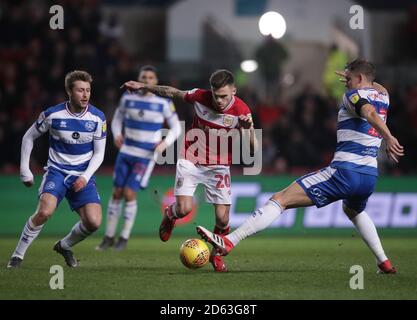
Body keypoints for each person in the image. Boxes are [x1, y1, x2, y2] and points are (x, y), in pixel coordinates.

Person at [196, 59, 405, 274]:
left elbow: (368, 112)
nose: (345, 82)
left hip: (345, 172)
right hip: (369, 176)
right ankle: (383, 262)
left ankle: (229, 241)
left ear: (359, 79)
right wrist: (359, 78)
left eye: (349, 78)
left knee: (280, 199)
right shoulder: (383, 96)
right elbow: (375, 88)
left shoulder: (354, 96)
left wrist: (388, 137)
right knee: (353, 210)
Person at [122, 69, 256, 272]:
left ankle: (216, 255)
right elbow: (171, 92)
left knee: (223, 219)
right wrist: (145, 86)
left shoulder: (241, 111)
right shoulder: (200, 97)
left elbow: (253, 150)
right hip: (191, 159)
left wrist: (248, 129)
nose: (219, 101)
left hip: (219, 166)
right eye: (215, 95)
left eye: (224, 96)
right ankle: (170, 214)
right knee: (184, 209)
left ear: (234, 91)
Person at [7, 70, 107, 268]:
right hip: (57, 172)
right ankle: (17, 256)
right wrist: (24, 170)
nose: (85, 94)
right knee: (45, 212)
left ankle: (64, 245)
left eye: (88, 90)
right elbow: (28, 137)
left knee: (94, 222)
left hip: (82, 175)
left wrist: (86, 177)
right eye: (80, 90)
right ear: (69, 91)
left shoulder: (98, 118)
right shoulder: (52, 114)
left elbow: (99, 153)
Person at [96, 65, 181, 251]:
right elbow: (117, 119)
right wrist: (117, 133)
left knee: (129, 193)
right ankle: (108, 236)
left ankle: (124, 238)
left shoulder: (163, 103)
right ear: (139, 79)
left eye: (151, 77)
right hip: (126, 151)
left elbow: (176, 127)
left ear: (156, 81)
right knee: (117, 193)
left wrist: (165, 143)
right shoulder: (127, 98)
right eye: (144, 77)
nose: (147, 80)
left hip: (146, 155)